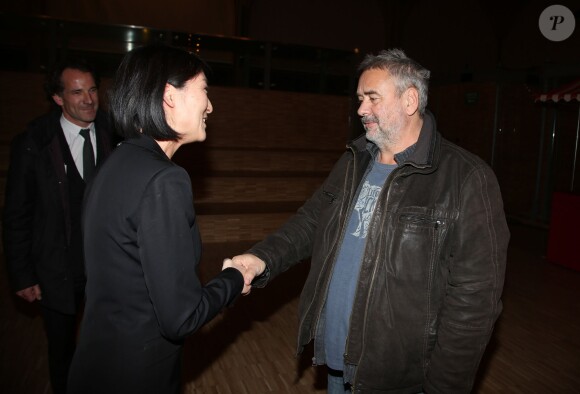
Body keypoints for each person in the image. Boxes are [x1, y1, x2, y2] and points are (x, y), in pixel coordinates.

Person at [233, 49, 510, 393]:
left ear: (410, 100)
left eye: (373, 98)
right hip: (338, 361)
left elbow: (474, 302)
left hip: (399, 379)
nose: (362, 109)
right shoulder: (354, 160)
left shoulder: (466, 179)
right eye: (360, 99)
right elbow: (311, 221)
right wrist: (262, 258)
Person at [66, 44, 251, 394]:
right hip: (135, 376)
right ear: (169, 95)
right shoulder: (165, 179)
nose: (210, 106)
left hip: (95, 364)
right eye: (204, 92)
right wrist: (233, 278)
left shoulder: (116, 162)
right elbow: (181, 317)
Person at [2, 59, 116, 394]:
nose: (88, 99)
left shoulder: (114, 132)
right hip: (57, 270)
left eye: (93, 89)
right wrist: (22, 274)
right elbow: (16, 214)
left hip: (105, 269)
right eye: (77, 92)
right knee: (62, 350)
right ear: (58, 98)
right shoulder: (33, 143)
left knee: (105, 345)